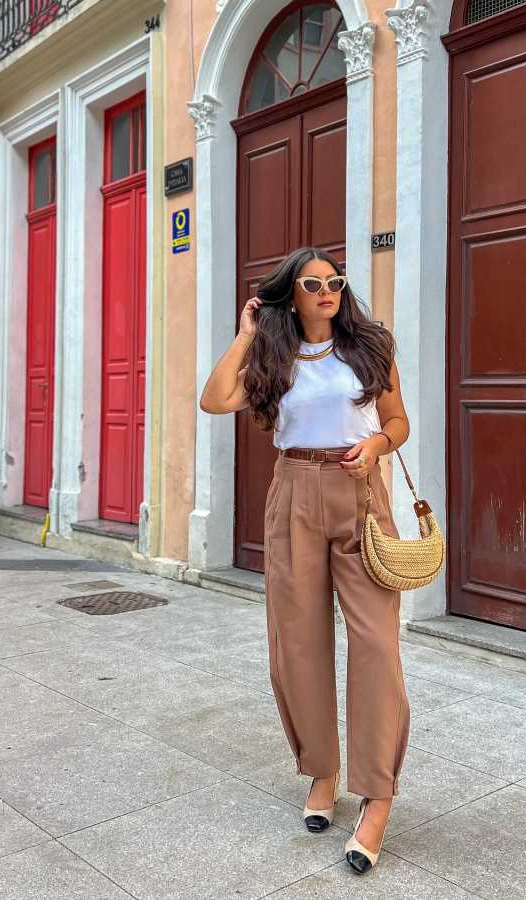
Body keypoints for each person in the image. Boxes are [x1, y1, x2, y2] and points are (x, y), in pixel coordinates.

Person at [200, 246, 411, 874]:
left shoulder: (370, 348)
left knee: (375, 644)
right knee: (298, 643)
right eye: (314, 283)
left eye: (336, 282)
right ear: (291, 293)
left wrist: (375, 442)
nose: (328, 291)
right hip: (293, 493)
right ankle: (322, 772)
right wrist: (245, 335)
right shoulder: (274, 356)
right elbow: (214, 401)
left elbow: (397, 421)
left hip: (360, 495)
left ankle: (378, 794)